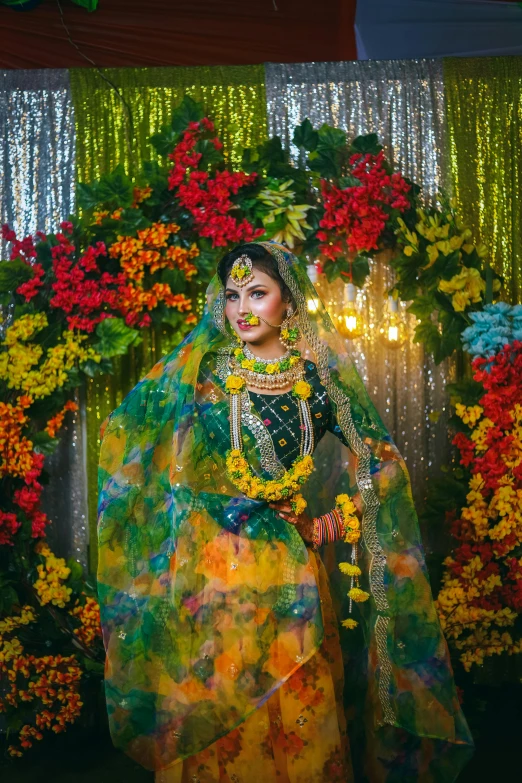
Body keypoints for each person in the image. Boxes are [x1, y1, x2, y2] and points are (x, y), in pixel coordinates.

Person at [97, 241, 473, 782]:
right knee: (219, 706)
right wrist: (192, 521)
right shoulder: (203, 377)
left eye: (257, 293)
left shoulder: (318, 383)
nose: (242, 309)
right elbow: (151, 458)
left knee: (297, 704)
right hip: (215, 577)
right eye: (232, 296)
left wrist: (332, 523)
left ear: (288, 303)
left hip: (292, 571)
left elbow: (383, 463)